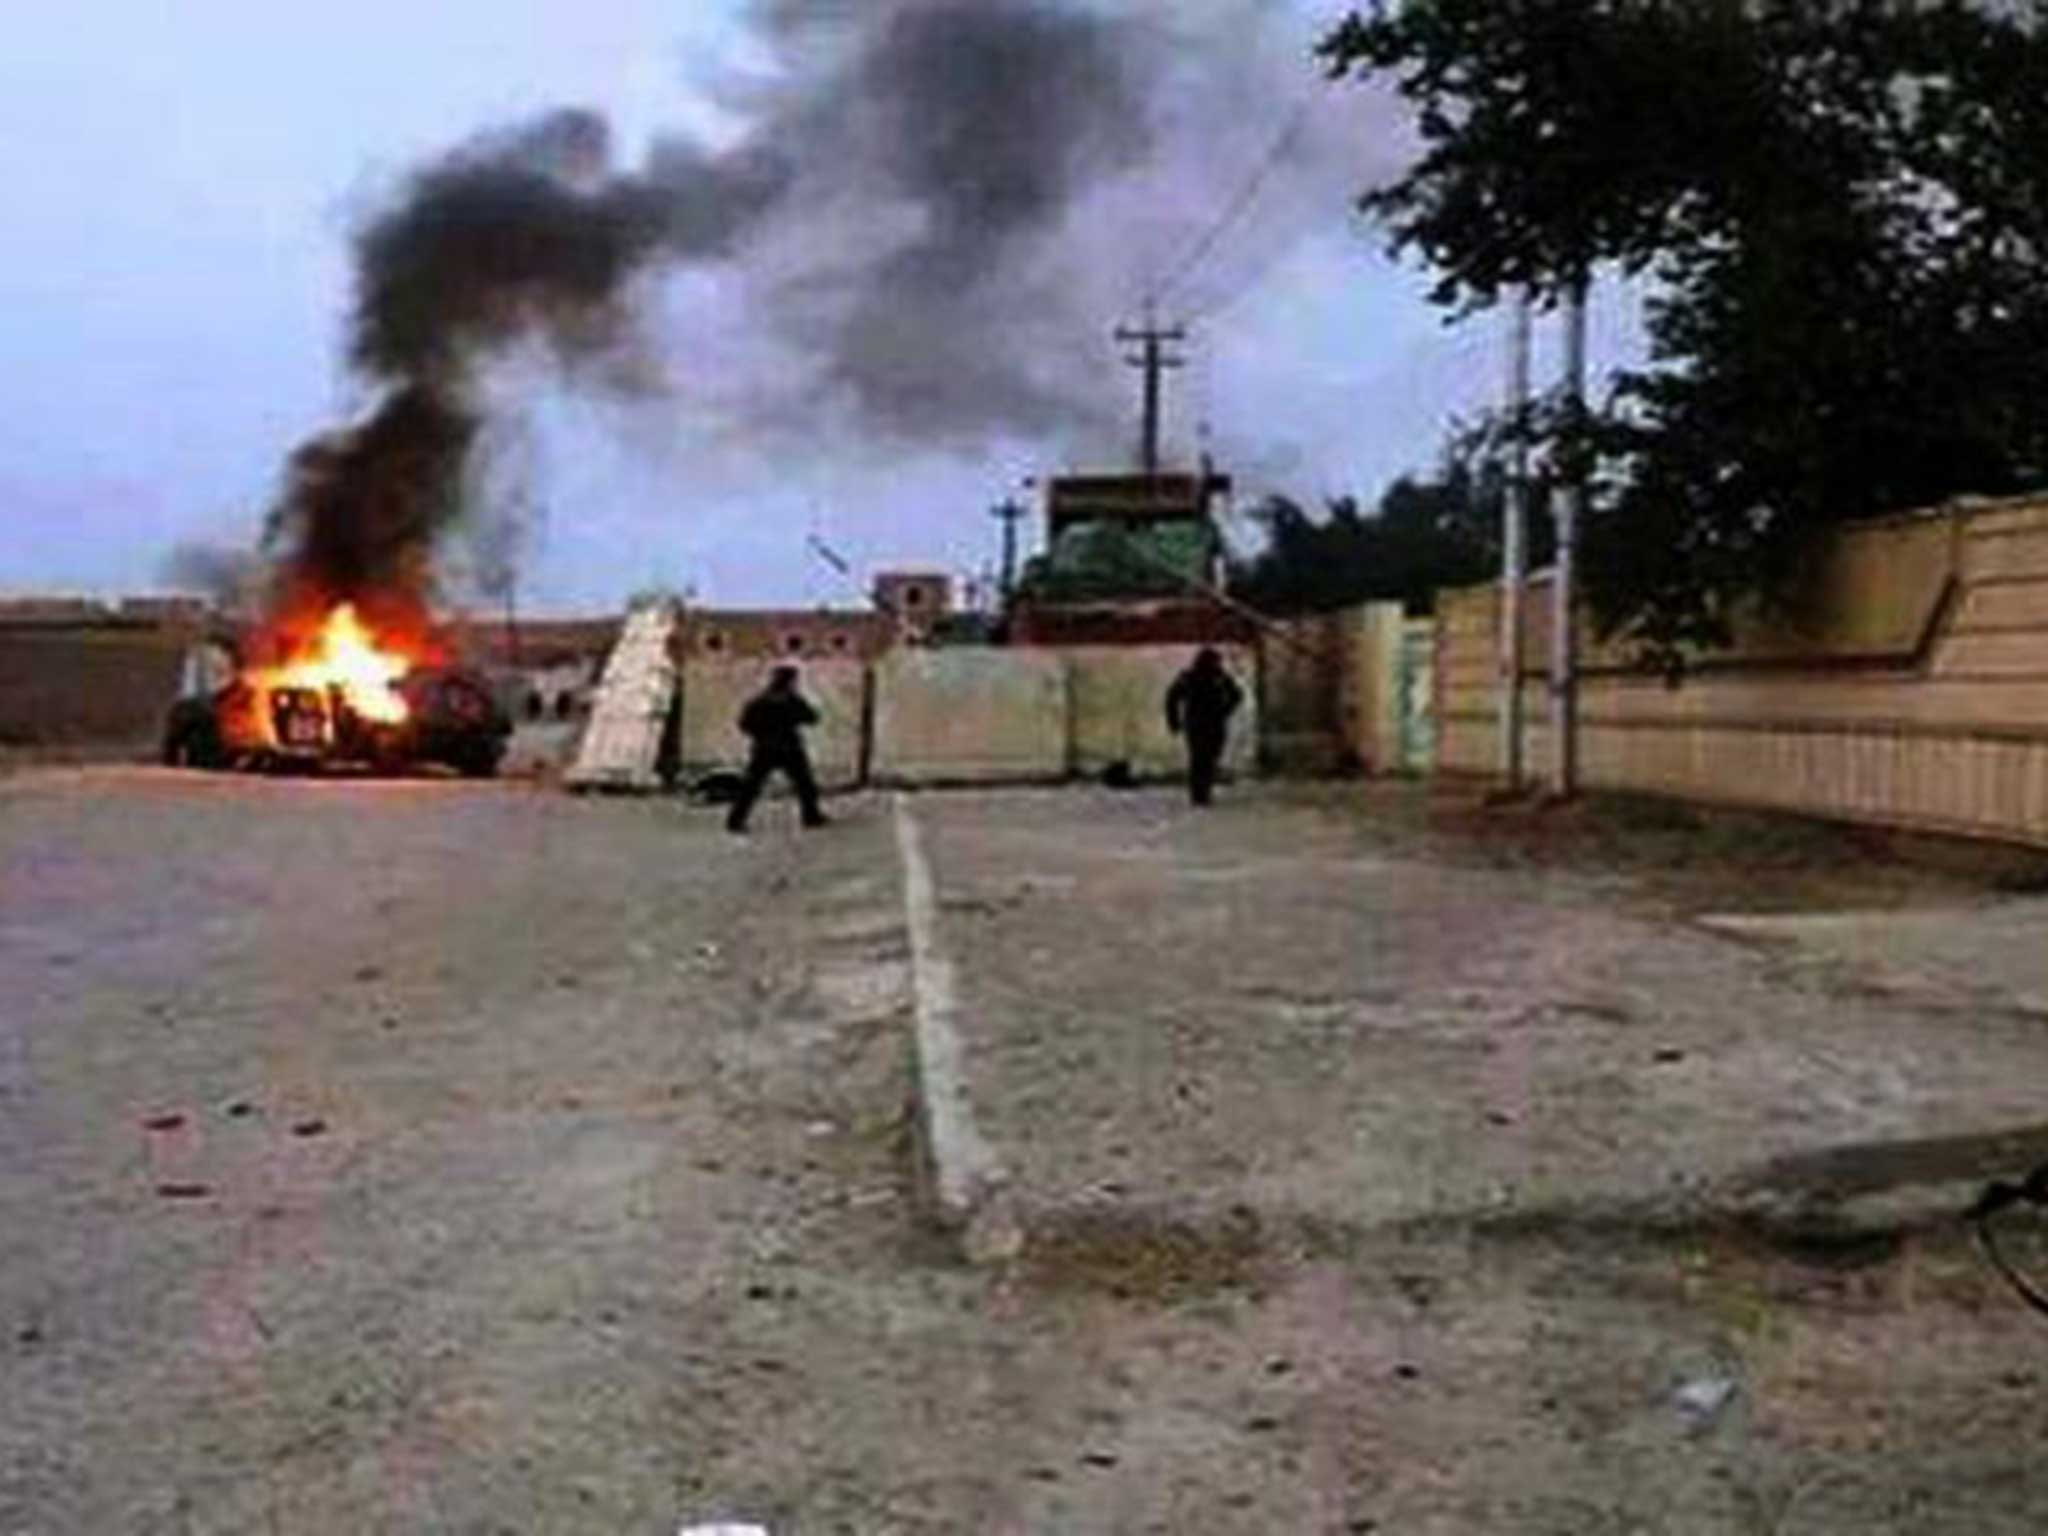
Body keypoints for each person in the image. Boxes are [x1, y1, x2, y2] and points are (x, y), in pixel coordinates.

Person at [727, 665, 829, 834]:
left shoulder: (759, 700)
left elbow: (745, 724)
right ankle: (811, 816)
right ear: (789, 682)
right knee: (805, 784)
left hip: (764, 749)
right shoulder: (791, 700)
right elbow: (811, 718)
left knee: (751, 786)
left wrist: (760, 734)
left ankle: (735, 820)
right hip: (789, 748)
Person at [1165, 647, 1244, 807]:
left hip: (1209, 722)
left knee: (1207, 757)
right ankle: (1199, 794)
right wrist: (1174, 721)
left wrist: (1225, 710)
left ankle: (1202, 792)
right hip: (1200, 723)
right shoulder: (1190, 677)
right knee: (1200, 758)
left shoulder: (1218, 677)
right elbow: (1172, 698)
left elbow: (1236, 695)